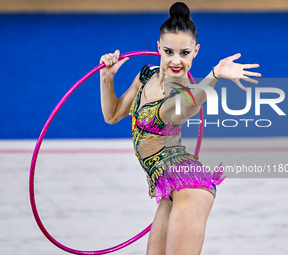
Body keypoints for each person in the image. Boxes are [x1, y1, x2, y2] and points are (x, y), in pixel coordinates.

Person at [99, 2, 261, 254]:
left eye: (184, 53)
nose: (176, 61)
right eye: (169, 51)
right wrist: (107, 78)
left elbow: (189, 106)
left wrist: (215, 75)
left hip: (190, 186)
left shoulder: (182, 91)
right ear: (158, 49)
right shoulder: (146, 75)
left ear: (195, 51)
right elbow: (112, 115)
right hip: (170, 185)